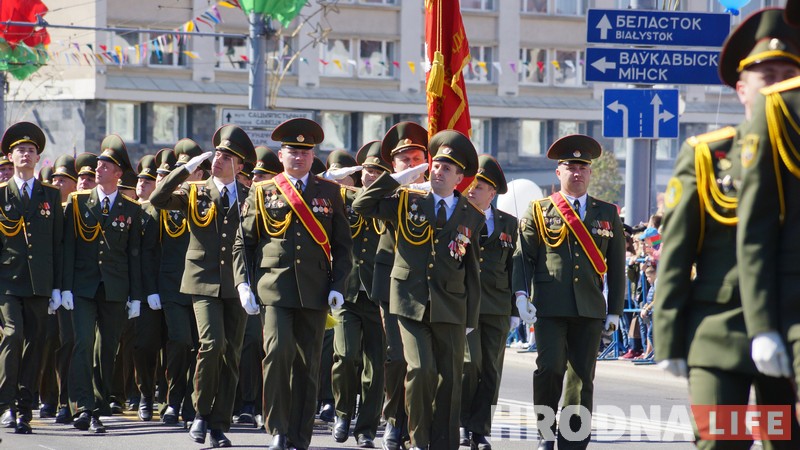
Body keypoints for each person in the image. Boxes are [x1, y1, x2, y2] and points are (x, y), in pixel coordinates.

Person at [657, 9, 800, 450]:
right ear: (742, 89)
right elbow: (677, 252)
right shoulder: (708, 156)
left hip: (791, 325)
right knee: (724, 442)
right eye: (765, 77)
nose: (777, 86)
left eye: (788, 75)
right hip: (720, 332)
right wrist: (669, 338)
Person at [353, 129, 483, 450]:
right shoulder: (407, 200)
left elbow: (472, 271)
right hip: (409, 303)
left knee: (450, 381)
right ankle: (419, 440)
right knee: (422, 371)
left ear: (459, 178)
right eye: (435, 165)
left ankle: (444, 444)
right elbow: (362, 204)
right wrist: (399, 178)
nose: (438, 172)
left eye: (447, 168)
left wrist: (471, 316)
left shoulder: (471, 215)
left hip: (450, 307)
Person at [232, 117, 353, 450]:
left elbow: (343, 247)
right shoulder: (263, 190)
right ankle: (278, 430)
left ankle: (300, 435)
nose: (298, 157)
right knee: (277, 353)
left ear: (313, 156)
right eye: (292, 151)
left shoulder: (330, 192)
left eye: (305, 151)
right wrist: (244, 283)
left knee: (308, 365)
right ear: (281, 154)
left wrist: (338, 285)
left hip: (315, 290)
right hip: (274, 289)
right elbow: (245, 242)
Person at [512, 134, 625, 450]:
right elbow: (523, 257)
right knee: (549, 369)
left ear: (590, 173)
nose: (577, 173)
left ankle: (573, 440)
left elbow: (616, 267)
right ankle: (545, 433)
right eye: (570, 167)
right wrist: (521, 296)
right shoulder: (539, 210)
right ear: (558, 172)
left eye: (582, 167)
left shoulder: (607, 214)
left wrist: (614, 309)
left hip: (589, 309)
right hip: (549, 306)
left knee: (581, 380)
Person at [150, 125, 256, 448]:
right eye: (218, 154)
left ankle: (218, 424)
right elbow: (158, 198)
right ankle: (199, 411)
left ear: (239, 165)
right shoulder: (195, 192)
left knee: (231, 355)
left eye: (227, 156)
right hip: (201, 282)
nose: (219, 159)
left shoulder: (251, 198)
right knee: (211, 344)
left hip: (237, 286)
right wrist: (185, 170)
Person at [62, 134, 143, 433]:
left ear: (119, 173)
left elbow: (133, 256)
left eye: (107, 165)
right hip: (82, 286)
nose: (99, 168)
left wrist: (136, 296)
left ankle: (96, 405)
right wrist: (64, 287)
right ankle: (83, 407)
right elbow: (69, 246)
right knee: (83, 343)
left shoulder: (130, 209)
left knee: (106, 349)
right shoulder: (78, 202)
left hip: (114, 288)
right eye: (99, 163)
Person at [0, 122, 63, 434]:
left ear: (39, 158)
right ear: (10, 157)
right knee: (12, 335)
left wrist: (59, 288)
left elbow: (59, 245)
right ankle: (5, 403)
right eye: (20, 150)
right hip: (7, 282)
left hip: (40, 283)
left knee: (34, 345)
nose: (26, 154)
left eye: (31, 150)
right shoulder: (1, 195)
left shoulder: (50, 196)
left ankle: (24, 408)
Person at [371, 121, 429, 450]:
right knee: (397, 356)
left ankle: (417, 422)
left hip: (429, 285)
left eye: (416, 157)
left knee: (423, 362)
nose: (410, 164)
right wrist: (394, 181)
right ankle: (394, 420)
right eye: (403, 159)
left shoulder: (439, 193)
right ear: (394, 164)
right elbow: (364, 203)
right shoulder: (389, 192)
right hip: (392, 281)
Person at [330, 141, 388, 447]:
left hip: (379, 295)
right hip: (347, 290)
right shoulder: (342, 197)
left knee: (375, 366)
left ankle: (366, 427)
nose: (371, 176)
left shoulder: (394, 200)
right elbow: (322, 185)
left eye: (379, 171)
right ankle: (342, 412)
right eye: (367, 169)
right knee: (345, 354)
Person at [460, 155, 517, 450]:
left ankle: (480, 430)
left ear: (492, 193)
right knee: (470, 365)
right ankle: (462, 422)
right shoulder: (457, 216)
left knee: (492, 370)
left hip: (496, 306)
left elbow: (513, 268)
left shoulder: (509, 223)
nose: (472, 190)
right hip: (464, 305)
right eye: (470, 184)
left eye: (479, 186)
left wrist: (517, 308)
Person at [150, 142, 205, 427]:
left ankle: (192, 404)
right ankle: (172, 401)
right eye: (187, 171)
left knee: (200, 347)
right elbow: (153, 248)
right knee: (179, 342)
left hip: (202, 285)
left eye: (196, 171)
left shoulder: (208, 200)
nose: (191, 176)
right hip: (172, 285)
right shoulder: (170, 202)